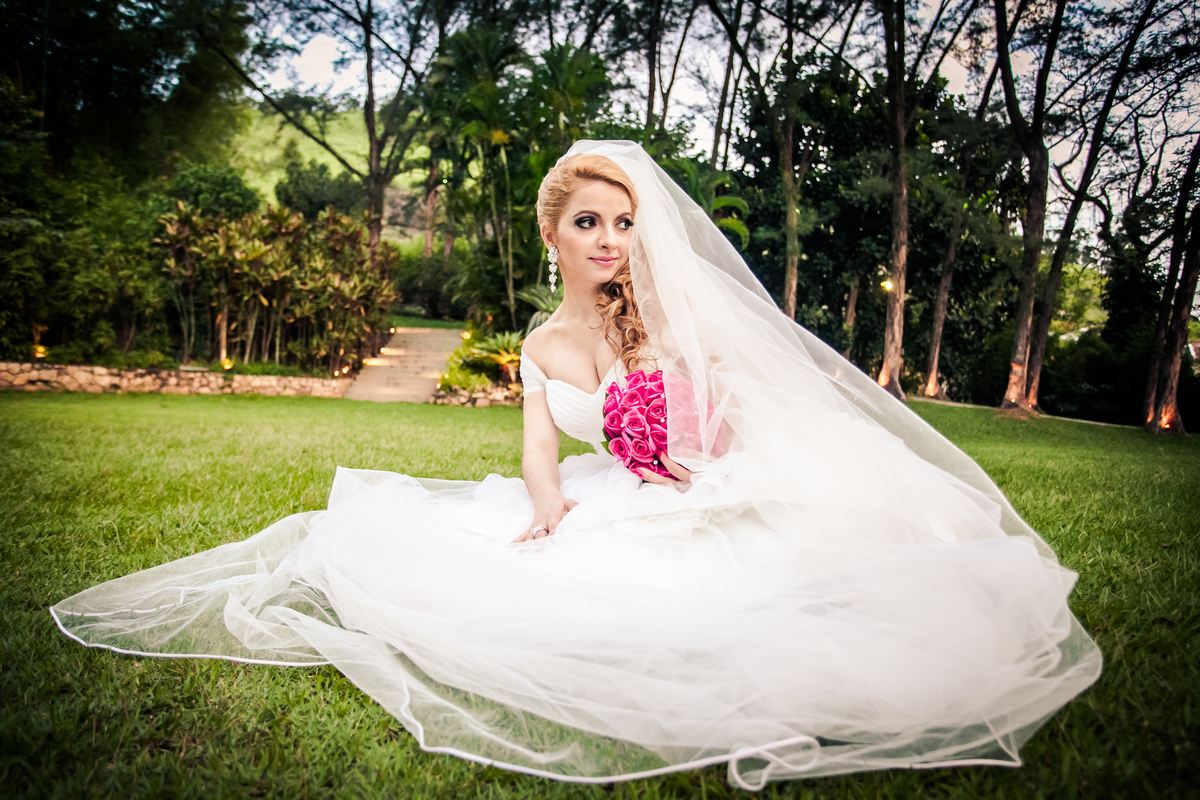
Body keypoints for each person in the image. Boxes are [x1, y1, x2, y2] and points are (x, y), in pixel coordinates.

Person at [51, 140, 1101, 791]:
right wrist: (547, 503)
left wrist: (704, 455)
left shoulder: (668, 317)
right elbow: (538, 445)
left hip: (707, 482)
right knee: (509, 569)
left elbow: (739, 401)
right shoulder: (540, 343)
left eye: (623, 223)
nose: (609, 238)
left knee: (741, 596)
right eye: (588, 221)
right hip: (610, 491)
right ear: (552, 230)